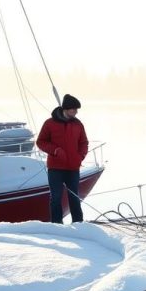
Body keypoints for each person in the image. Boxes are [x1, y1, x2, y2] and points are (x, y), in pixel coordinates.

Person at [36, 93, 89, 223]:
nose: (76, 112)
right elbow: (41, 142)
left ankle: (79, 225)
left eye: (77, 109)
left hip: (73, 168)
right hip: (56, 168)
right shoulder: (49, 123)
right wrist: (55, 150)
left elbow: (84, 143)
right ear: (66, 109)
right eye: (74, 109)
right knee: (56, 198)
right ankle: (57, 226)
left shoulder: (78, 124)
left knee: (74, 197)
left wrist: (80, 156)